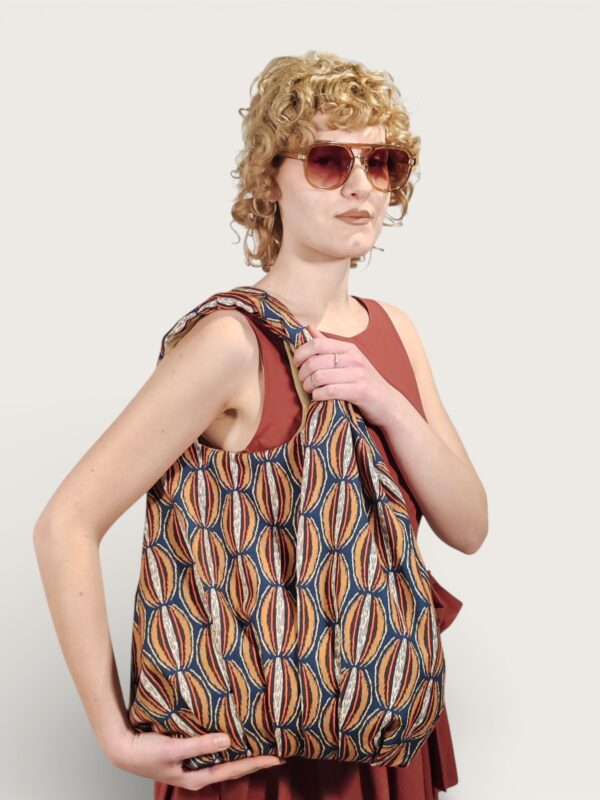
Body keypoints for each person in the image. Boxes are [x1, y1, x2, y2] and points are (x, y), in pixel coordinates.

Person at [33, 50, 488, 799]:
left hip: (383, 717)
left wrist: (382, 399)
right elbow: (66, 524)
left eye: (382, 162)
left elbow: (468, 528)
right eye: (329, 160)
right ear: (269, 179)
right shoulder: (230, 342)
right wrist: (114, 736)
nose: (360, 186)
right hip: (255, 746)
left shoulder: (395, 332)